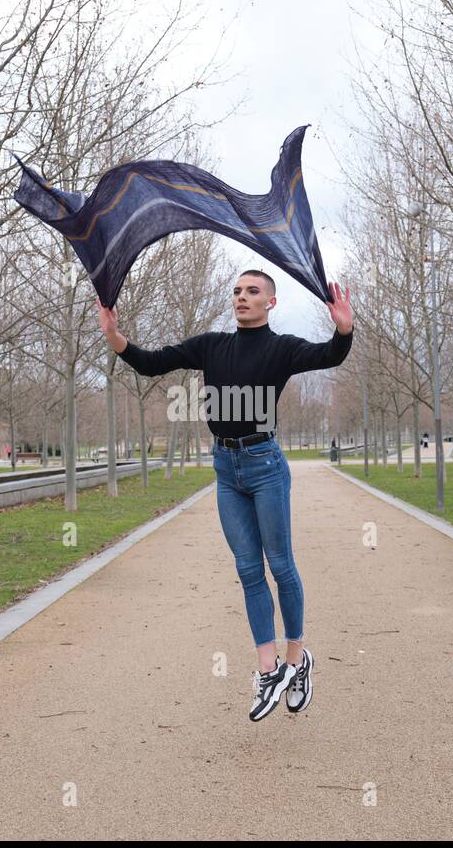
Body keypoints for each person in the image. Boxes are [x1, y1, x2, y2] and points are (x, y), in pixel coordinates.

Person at [98, 268, 354, 721]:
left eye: (252, 292)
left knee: (281, 565)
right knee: (248, 570)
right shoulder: (212, 345)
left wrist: (344, 327)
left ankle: (297, 658)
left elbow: (330, 355)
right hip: (225, 468)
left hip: (265, 466)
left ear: (270, 303)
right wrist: (116, 336)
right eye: (237, 291)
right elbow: (153, 361)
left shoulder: (281, 348)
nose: (241, 297)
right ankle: (266, 668)